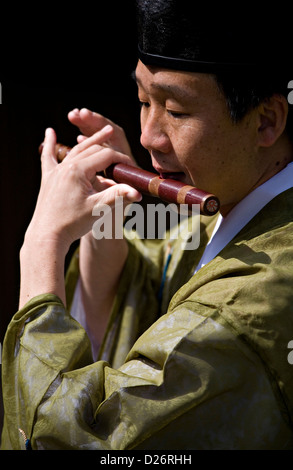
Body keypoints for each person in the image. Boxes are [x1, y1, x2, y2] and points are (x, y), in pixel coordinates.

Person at [1, 0, 293, 450]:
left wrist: (42, 244)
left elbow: (76, 438)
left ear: (266, 121)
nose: (148, 137)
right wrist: (107, 218)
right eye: (143, 101)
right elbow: (156, 280)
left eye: (175, 111)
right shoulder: (230, 217)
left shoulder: (251, 303)